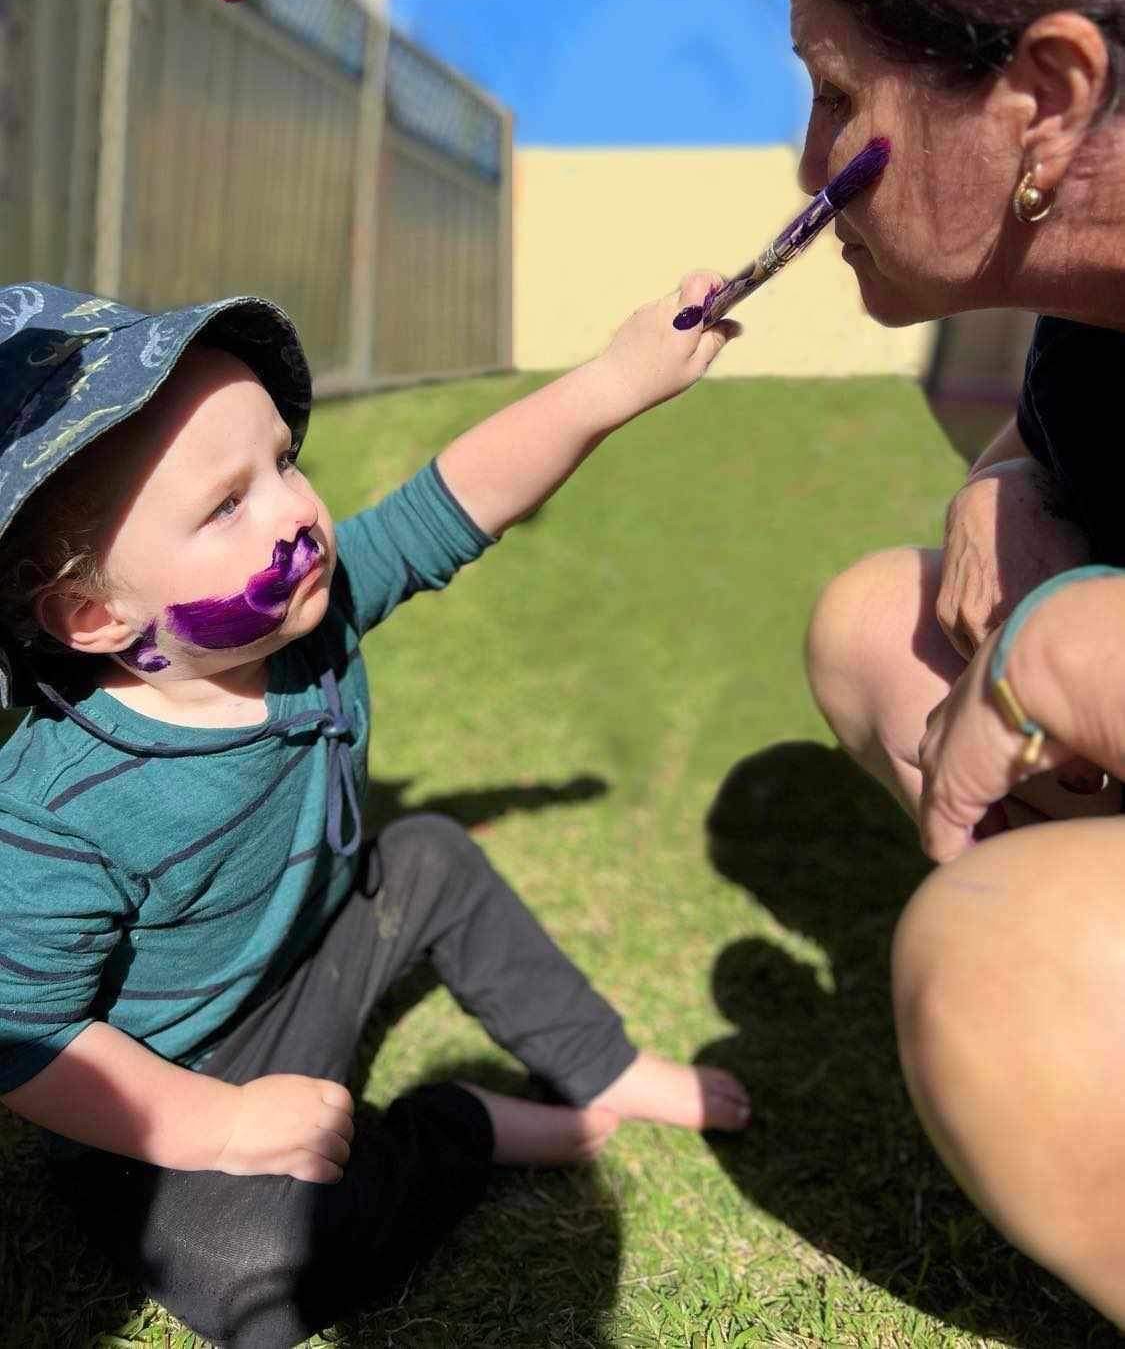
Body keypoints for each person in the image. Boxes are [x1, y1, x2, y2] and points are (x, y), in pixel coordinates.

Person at [0, 278, 750, 1348]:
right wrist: (222, 1126)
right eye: (227, 504)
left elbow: (456, 500)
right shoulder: (53, 813)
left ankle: (603, 1064)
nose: (298, 510)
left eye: (285, 463)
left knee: (432, 858)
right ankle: (464, 1128)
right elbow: (30, 1045)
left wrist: (611, 383)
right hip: (154, 1096)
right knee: (250, 1281)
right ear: (93, 614)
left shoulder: (311, 619)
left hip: (304, 967)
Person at [760, 0, 1125, 1325]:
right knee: (879, 628)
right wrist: (1010, 477)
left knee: (1002, 963)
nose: (807, 163)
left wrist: (1061, 648)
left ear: (1042, 98)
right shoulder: (1085, 332)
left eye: (838, 91)